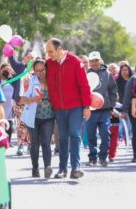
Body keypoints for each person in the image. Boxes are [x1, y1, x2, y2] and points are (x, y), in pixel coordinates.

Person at [46, 38, 91, 179]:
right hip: (58, 107)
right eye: (47, 52)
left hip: (76, 106)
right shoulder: (48, 63)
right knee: (63, 137)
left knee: (74, 133)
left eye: (51, 51)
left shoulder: (75, 61)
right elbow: (41, 78)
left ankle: (76, 168)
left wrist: (87, 106)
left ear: (59, 49)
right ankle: (62, 169)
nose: (48, 55)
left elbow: (84, 85)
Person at [21, 59, 55, 178]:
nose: (40, 73)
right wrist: (33, 99)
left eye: (42, 70)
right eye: (37, 71)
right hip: (33, 117)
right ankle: (35, 168)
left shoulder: (53, 79)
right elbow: (22, 99)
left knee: (46, 142)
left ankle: (47, 167)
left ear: (47, 69)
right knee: (35, 144)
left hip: (49, 116)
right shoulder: (30, 80)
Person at [85, 51, 117, 167]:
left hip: (104, 110)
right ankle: (92, 158)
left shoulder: (107, 74)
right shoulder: (85, 74)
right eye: (91, 61)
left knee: (105, 134)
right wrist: (84, 107)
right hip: (90, 111)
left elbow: (113, 91)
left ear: (100, 61)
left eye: (96, 61)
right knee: (90, 135)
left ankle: (103, 157)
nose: (94, 63)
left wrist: (112, 106)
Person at [0, 63, 15, 144]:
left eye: (8, 69)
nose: (6, 71)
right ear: (0, 70)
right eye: (5, 69)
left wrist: (12, 74)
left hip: (10, 107)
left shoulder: (13, 81)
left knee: (9, 125)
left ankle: (7, 142)